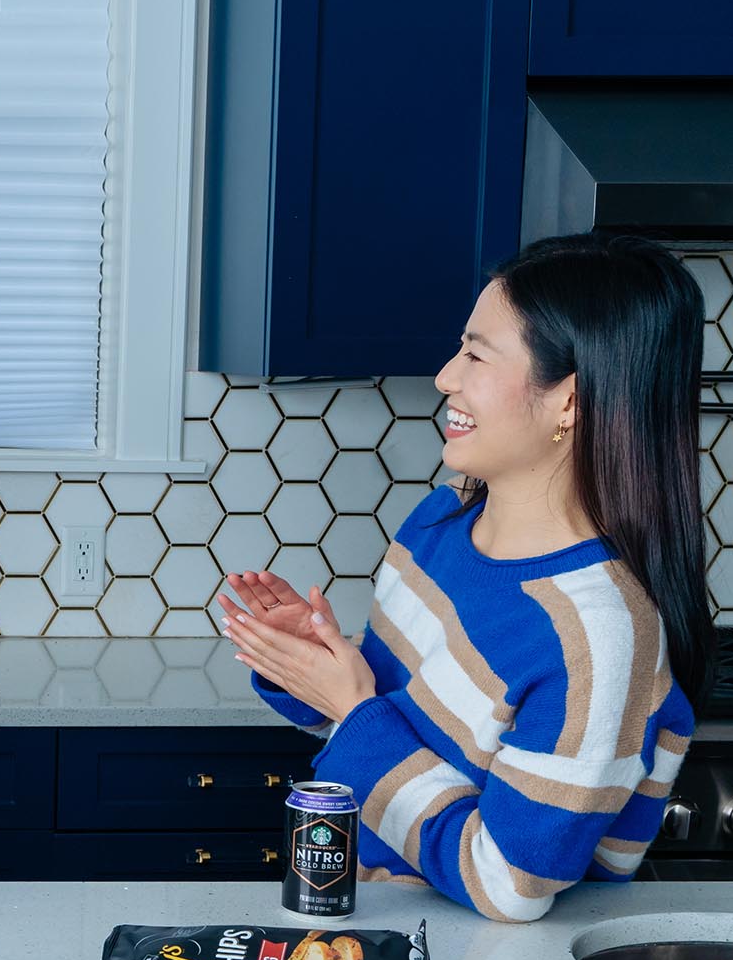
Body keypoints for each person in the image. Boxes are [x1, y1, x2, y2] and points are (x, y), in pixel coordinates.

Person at [221, 232, 706, 922]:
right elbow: (403, 718)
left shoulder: (600, 638)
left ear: (569, 401)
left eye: (477, 354)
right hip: (382, 919)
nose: (448, 375)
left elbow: (510, 885)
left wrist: (354, 709)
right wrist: (320, 665)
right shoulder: (444, 517)